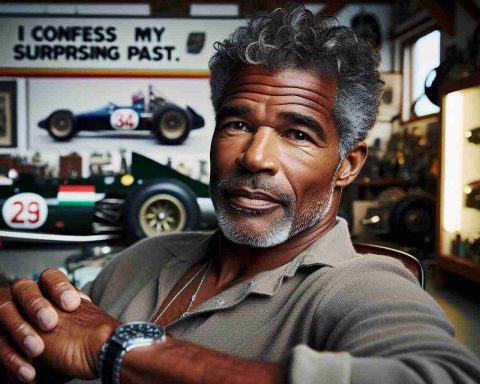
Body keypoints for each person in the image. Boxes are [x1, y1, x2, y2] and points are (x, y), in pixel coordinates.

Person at [1, 4, 480, 384]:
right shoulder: (143, 257)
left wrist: (119, 348)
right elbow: (62, 349)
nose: (255, 157)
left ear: (347, 166)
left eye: (297, 134)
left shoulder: (361, 287)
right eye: (237, 124)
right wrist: (23, 338)